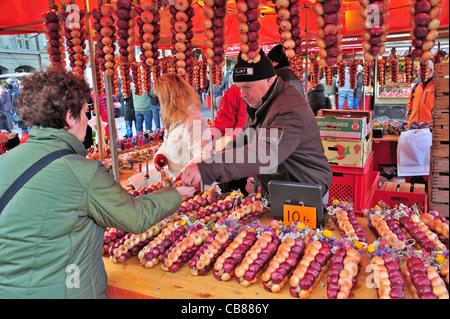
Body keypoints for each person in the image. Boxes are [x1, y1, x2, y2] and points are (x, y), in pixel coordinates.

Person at [0, 68, 194, 299]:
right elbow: (136, 217)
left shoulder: (4, 161)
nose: (89, 122)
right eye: (84, 113)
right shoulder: (83, 172)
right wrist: (176, 193)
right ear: (69, 117)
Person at [180, 48, 333, 201]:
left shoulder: (289, 106)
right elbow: (244, 139)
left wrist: (209, 169)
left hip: (305, 189)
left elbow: (267, 152)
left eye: (248, 87)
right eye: (239, 88)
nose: (242, 95)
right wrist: (211, 157)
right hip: (280, 187)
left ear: (269, 80)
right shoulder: (259, 102)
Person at [153, 72, 213, 180]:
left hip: (192, 186)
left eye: (161, 99)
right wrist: (161, 155)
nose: (160, 104)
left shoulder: (193, 121)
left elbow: (204, 155)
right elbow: (170, 141)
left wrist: (184, 176)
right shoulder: (175, 115)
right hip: (176, 181)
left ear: (169, 100)